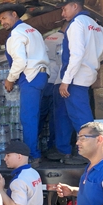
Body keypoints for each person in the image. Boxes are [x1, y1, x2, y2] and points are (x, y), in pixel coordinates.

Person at [52, 0, 103, 165]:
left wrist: (66, 81)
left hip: (76, 78)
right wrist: (92, 60)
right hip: (87, 74)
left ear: (75, 6)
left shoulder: (77, 24)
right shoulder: (96, 26)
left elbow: (75, 55)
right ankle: (65, 150)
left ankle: (87, 154)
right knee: (70, 113)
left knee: (81, 117)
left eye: (64, 9)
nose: (63, 14)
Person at [0, 2, 50, 167]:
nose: (3, 22)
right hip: (42, 75)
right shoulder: (33, 31)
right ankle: (35, 151)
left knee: (28, 118)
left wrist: (10, 79)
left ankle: (32, 155)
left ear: (14, 14)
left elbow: (20, 61)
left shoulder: (16, 34)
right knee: (35, 116)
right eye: (0, 20)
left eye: (4, 17)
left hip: (30, 77)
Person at [40, 23, 67, 155]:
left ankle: (35, 146)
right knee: (55, 116)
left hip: (44, 79)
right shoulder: (65, 40)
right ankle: (53, 146)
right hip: (57, 81)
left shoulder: (48, 38)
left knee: (39, 115)